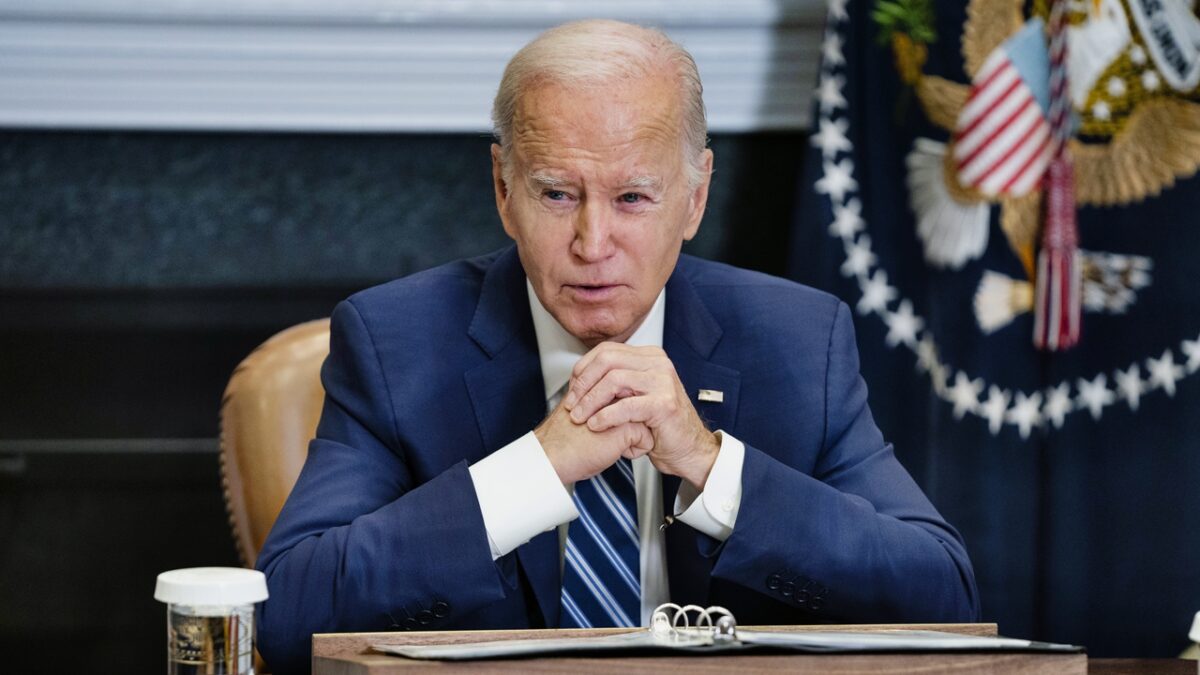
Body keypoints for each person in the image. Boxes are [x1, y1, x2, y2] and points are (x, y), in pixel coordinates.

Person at [255, 19, 979, 673]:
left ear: (694, 198)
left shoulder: (796, 340)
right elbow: (289, 615)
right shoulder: (394, 341)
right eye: (557, 195)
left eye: (632, 197)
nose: (592, 245)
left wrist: (707, 462)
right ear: (503, 188)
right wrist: (538, 468)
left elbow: (943, 595)